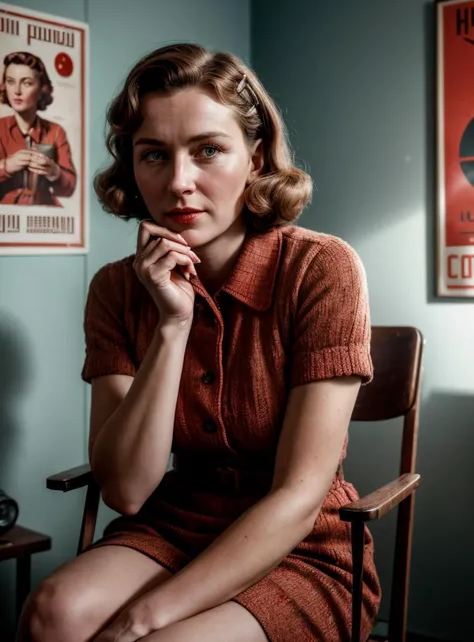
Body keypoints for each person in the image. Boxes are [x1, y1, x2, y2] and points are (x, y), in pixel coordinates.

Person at [17, 43, 381, 642]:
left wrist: (145, 615)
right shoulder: (115, 289)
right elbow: (128, 491)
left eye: (208, 150)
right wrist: (171, 324)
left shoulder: (322, 269)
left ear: (255, 156)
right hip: (173, 525)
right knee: (49, 614)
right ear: (132, 168)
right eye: (154, 154)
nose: (179, 182)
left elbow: (298, 496)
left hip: (301, 545)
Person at [0, 51, 76, 206]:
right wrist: (7, 166)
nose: (17, 91)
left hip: (44, 213)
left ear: (42, 88)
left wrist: (55, 173)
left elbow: (70, 188)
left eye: (26, 83)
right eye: (10, 81)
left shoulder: (56, 132)